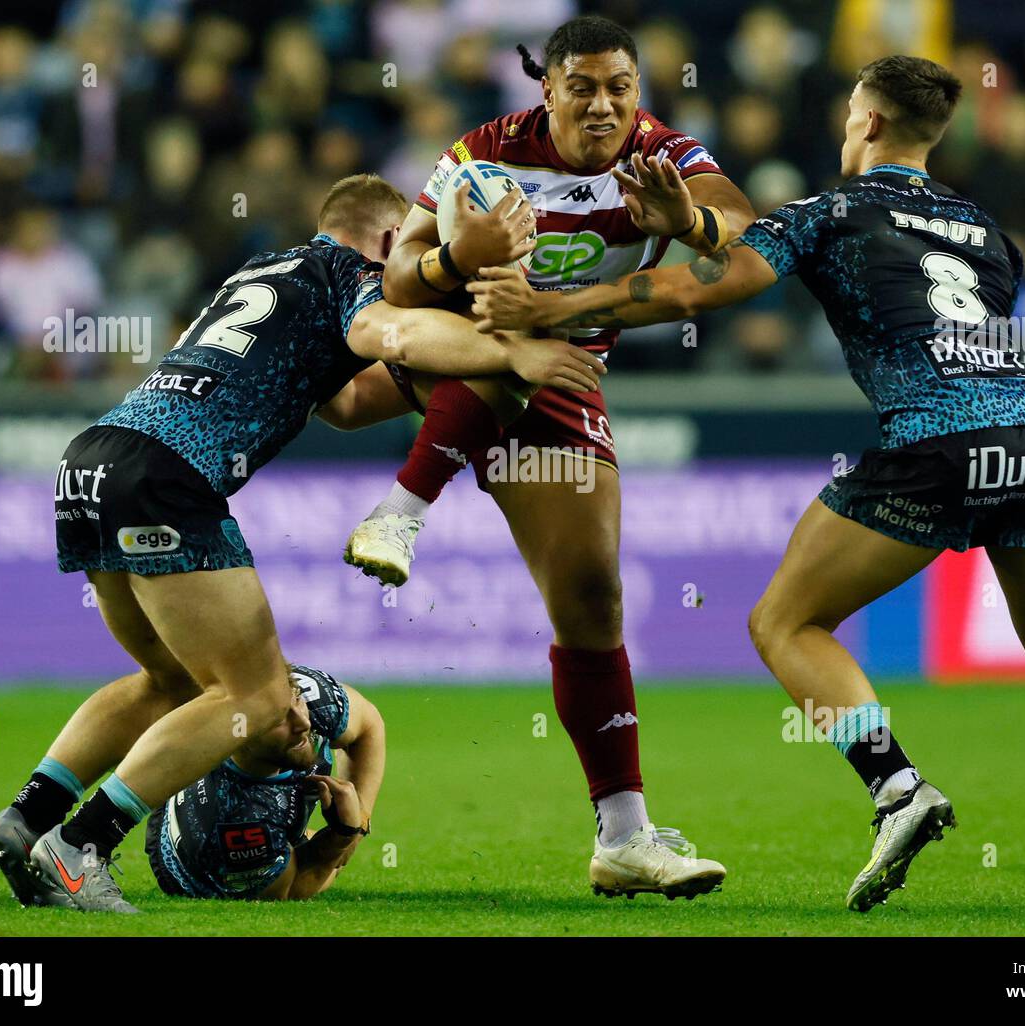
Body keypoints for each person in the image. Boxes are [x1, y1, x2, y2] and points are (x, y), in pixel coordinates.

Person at [467, 55, 1025, 915]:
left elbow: (704, 289)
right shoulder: (987, 231)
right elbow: (836, 268)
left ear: (870, 123)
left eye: (852, 111)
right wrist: (697, 220)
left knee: (783, 621)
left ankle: (897, 789)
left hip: (935, 440)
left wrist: (548, 310)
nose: (846, 124)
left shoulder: (831, 209)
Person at [0, 173, 603, 913]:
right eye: (408, 244)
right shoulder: (351, 272)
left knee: (172, 684)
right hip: (168, 478)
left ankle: (25, 819)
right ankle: (81, 846)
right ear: (383, 240)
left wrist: (459, 379)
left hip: (93, 461)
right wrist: (513, 356)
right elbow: (386, 332)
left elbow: (341, 401)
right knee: (255, 699)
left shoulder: (266, 269)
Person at [334, 14, 752, 899]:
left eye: (620, 89)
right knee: (496, 337)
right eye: (583, 89)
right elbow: (401, 280)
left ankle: (624, 839)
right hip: (462, 346)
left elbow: (739, 237)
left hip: (563, 373)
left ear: (638, 91)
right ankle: (398, 509)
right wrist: (458, 257)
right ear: (548, 91)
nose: (604, 106)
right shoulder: (484, 154)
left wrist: (692, 221)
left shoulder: (665, 154)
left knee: (594, 597)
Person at [145, 665, 383, 902]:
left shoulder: (311, 700)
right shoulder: (237, 819)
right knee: (278, 849)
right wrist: (341, 837)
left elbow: (369, 723)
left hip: (265, 818)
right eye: (278, 718)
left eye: (297, 700)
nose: (303, 723)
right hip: (199, 871)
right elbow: (290, 887)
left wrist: (361, 819)